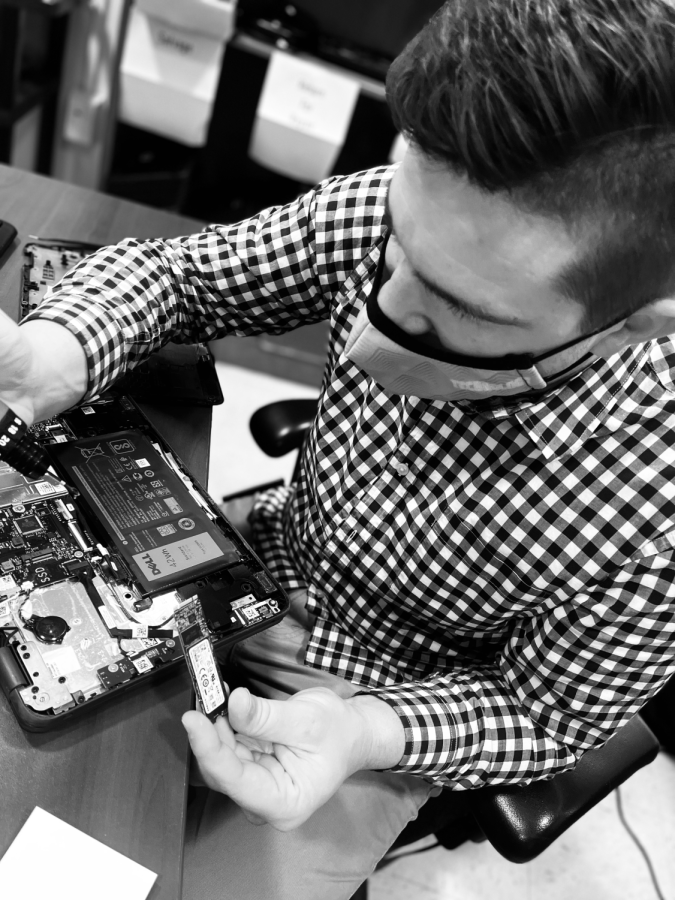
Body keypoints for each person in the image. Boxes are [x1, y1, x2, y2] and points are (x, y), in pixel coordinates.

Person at [5, 0, 675, 896]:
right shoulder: (414, 211)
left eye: (462, 309)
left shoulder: (654, 517)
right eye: (397, 239)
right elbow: (183, 274)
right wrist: (52, 358)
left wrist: (363, 732)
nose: (380, 307)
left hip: (389, 705)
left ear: (633, 325)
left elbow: (546, 716)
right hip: (266, 554)